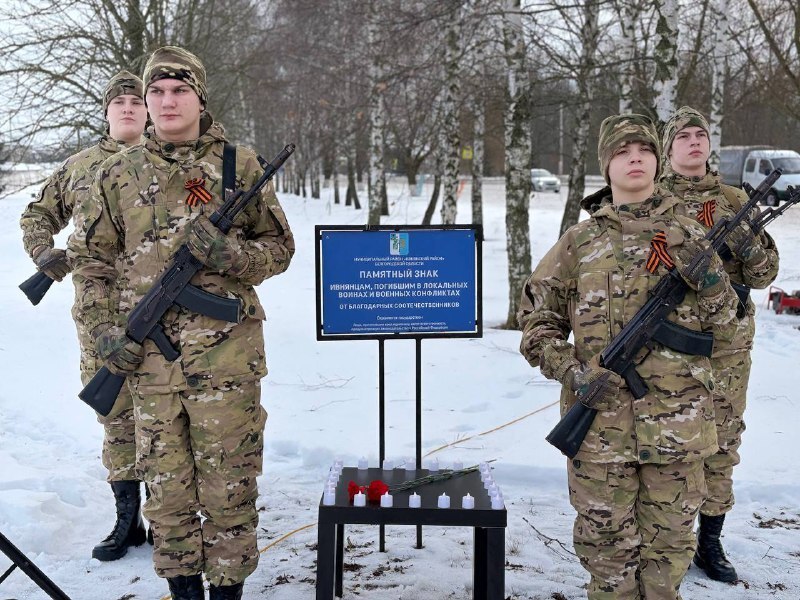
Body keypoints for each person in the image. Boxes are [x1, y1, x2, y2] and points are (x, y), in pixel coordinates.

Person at [67, 46, 294, 600]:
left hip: (227, 363)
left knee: (229, 487)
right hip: (147, 365)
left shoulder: (237, 165)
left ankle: (227, 592)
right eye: (157, 93)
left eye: (180, 91)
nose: (168, 102)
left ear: (199, 97)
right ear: (145, 103)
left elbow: (279, 247)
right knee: (166, 492)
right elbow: (90, 263)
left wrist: (229, 257)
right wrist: (102, 333)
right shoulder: (115, 172)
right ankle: (183, 589)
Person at [518, 114, 740, 599]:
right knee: (607, 561)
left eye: (644, 148)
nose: (635, 157)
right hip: (600, 432)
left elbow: (726, 323)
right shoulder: (578, 243)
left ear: (659, 162)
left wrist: (707, 280)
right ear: (607, 166)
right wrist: (574, 373)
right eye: (622, 151)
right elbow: (536, 324)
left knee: (668, 564)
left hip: (678, 435)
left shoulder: (689, 233)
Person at [19, 71, 149, 562]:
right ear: (106, 112)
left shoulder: (167, 163)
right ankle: (126, 520)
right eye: (118, 102)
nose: (128, 108)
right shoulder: (79, 166)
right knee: (114, 413)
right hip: (97, 312)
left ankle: (167, 517)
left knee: (161, 410)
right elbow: (37, 215)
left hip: (159, 304)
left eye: (136, 101)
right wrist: (42, 253)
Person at [660, 106, 780, 582]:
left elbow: (765, 274)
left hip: (727, 346)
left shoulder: (734, 200)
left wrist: (744, 242)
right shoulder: (652, 201)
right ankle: (666, 537)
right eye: (683, 136)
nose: (694, 142)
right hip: (667, 345)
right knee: (667, 442)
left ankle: (709, 542)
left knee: (722, 443)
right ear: (668, 149)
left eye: (701, 134)